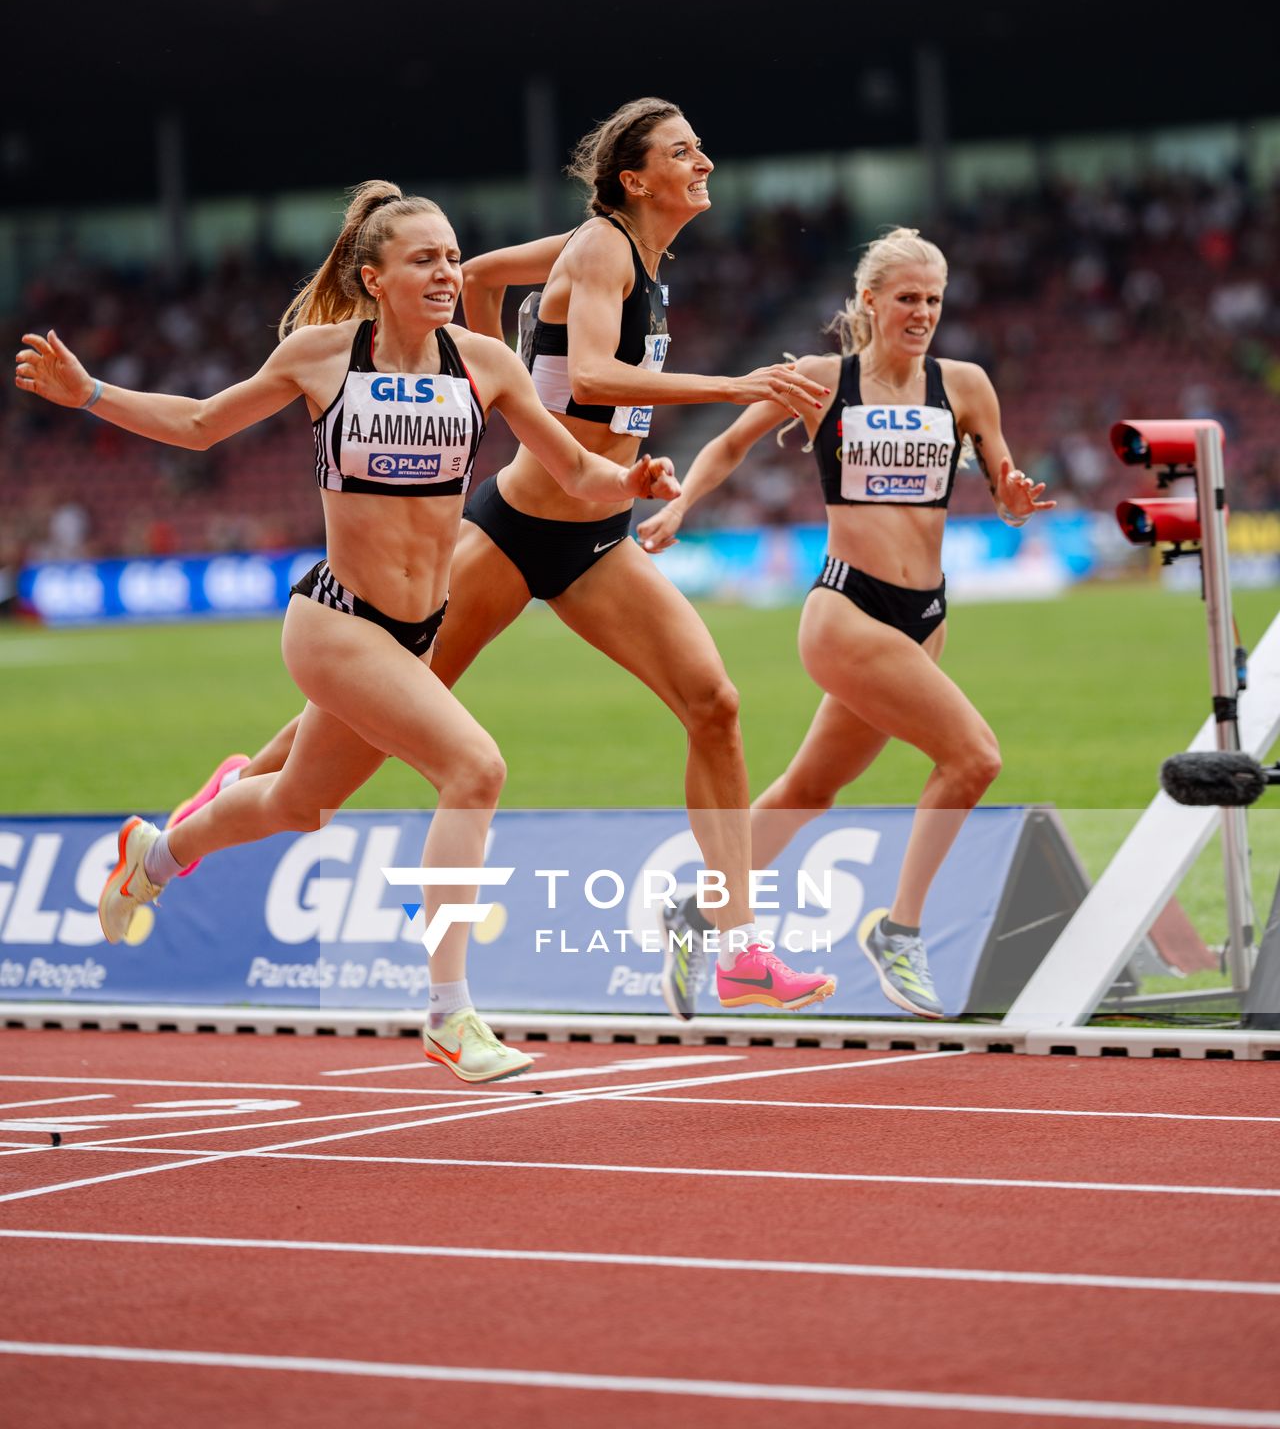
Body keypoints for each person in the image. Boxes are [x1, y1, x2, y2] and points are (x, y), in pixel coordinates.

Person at [165, 99, 838, 1015]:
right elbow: (594, 374)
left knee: (713, 704)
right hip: (516, 531)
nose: (706, 161)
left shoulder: (626, 253)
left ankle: (740, 947)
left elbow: (479, 277)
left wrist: (491, 364)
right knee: (367, 721)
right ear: (635, 180)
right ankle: (245, 788)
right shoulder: (603, 248)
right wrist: (731, 381)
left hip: (596, 536)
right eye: (686, 151)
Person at [14, 179, 682, 1083]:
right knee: (474, 767)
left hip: (414, 632)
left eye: (452, 257)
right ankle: (451, 1014)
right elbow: (204, 425)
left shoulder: (487, 363)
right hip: (332, 621)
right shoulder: (321, 356)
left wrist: (629, 484)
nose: (447, 272)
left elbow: (571, 470)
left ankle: (156, 853)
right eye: (424, 260)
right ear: (374, 277)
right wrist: (90, 392)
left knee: (298, 804)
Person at [639, 226, 1054, 1020]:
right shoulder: (823, 379)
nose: (923, 312)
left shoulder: (964, 385)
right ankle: (899, 930)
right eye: (907, 298)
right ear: (870, 302)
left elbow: (1002, 481)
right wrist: (682, 505)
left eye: (933, 299)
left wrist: (1013, 497)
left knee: (811, 788)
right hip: (846, 608)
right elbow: (730, 443)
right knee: (972, 758)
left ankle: (697, 913)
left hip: (926, 615)